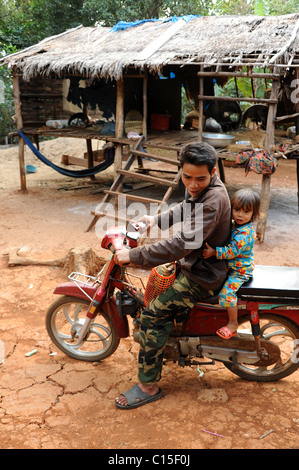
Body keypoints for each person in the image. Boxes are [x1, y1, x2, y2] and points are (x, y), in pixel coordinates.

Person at [114, 141, 231, 409]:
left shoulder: (213, 199)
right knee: (157, 284)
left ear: (213, 172)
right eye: (186, 176)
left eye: (199, 178)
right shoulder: (203, 189)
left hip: (203, 275)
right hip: (196, 264)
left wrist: (134, 256)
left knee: (153, 314)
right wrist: (155, 220)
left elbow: (181, 245)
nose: (192, 184)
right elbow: (185, 207)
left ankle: (148, 386)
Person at [203, 189, 260, 339]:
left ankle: (233, 323)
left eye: (246, 212)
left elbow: (233, 251)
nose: (240, 215)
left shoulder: (245, 233)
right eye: (237, 210)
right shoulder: (235, 225)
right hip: (231, 267)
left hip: (240, 271)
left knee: (227, 294)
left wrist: (214, 252)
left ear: (253, 214)